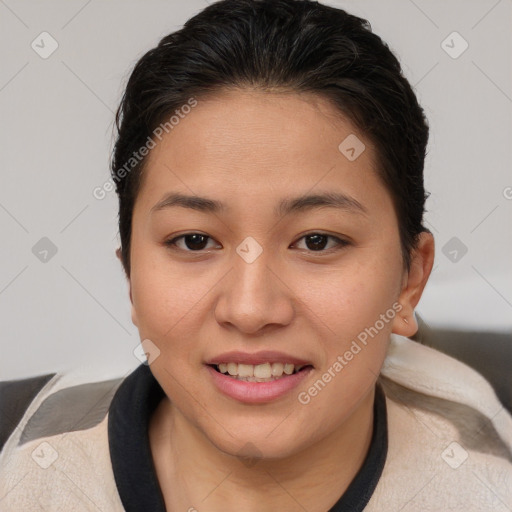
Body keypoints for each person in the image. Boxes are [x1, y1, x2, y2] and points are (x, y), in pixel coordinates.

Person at [1, 1, 511, 510]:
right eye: (195, 241)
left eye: (317, 241)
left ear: (409, 281)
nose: (250, 310)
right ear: (130, 275)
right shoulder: (18, 455)